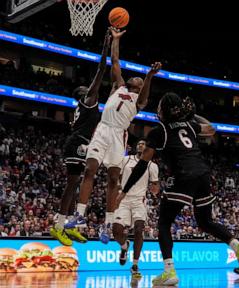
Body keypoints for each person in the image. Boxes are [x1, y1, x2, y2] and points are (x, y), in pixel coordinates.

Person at [117, 93, 239, 285]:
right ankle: (238, 246)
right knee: (205, 221)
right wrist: (193, 115)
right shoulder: (189, 125)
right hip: (204, 175)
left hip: (183, 175)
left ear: (162, 110)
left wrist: (124, 190)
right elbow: (211, 129)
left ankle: (169, 271)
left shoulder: (158, 131)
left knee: (164, 222)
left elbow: (142, 165)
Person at [65, 27, 162, 244]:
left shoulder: (140, 101)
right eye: (136, 77)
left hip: (119, 136)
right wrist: (115, 41)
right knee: (89, 169)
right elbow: (115, 61)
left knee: (112, 179)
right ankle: (79, 214)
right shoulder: (119, 86)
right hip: (103, 129)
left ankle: (108, 225)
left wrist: (149, 76)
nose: (134, 78)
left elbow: (146, 92)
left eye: (139, 79)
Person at [50, 30, 110, 246]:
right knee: (73, 183)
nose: (93, 90)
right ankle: (58, 226)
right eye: (88, 89)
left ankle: (68, 223)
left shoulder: (81, 109)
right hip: (77, 145)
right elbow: (101, 70)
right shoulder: (88, 101)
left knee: (78, 184)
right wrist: (106, 47)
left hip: (80, 144)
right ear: (84, 94)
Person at [112, 139, 160, 280]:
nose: (140, 145)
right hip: (124, 200)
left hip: (139, 201)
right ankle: (124, 245)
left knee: (139, 229)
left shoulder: (152, 165)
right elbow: (116, 176)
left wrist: (155, 189)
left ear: (148, 148)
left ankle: (134, 265)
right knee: (116, 231)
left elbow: (155, 187)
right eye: (138, 143)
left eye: (143, 143)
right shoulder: (126, 160)